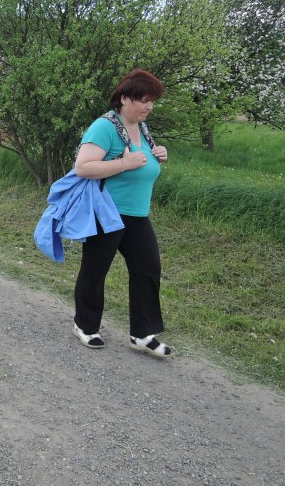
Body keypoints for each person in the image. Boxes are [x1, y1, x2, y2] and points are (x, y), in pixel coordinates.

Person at [72, 69, 172, 357]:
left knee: (148, 269)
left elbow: (141, 162)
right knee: (95, 270)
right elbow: (84, 167)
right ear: (124, 98)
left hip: (137, 214)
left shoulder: (141, 128)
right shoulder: (104, 127)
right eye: (143, 100)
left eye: (152, 101)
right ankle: (85, 325)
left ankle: (141, 335)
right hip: (107, 211)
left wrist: (159, 155)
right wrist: (124, 165)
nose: (149, 107)